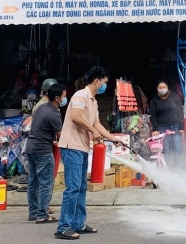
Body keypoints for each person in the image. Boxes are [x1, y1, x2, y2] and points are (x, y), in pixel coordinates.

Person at [55, 66, 121, 240]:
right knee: (73, 188)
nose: (105, 86)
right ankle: (63, 226)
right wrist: (93, 130)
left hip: (82, 147)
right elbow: (75, 117)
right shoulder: (80, 96)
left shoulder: (93, 101)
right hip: (71, 147)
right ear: (97, 81)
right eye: (104, 82)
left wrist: (113, 138)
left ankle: (78, 223)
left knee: (82, 187)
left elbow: (97, 124)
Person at [25, 83, 66, 224]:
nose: (65, 99)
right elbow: (61, 135)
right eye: (64, 96)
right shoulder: (54, 113)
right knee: (46, 183)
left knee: (33, 181)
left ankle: (33, 212)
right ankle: (42, 214)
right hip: (42, 150)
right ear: (57, 98)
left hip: (30, 148)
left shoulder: (41, 107)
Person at [149, 81, 185, 168]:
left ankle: (178, 170)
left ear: (167, 87)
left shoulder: (174, 97)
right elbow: (153, 116)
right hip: (163, 128)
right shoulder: (154, 101)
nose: (162, 89)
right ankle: (168, 170)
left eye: (164, 87)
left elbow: (180, 111)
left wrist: (181, 126)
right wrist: (155, 129)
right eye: (160, 87)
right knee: (166, 150)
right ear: (157, 89)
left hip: (176, 127)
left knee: (177, 150)